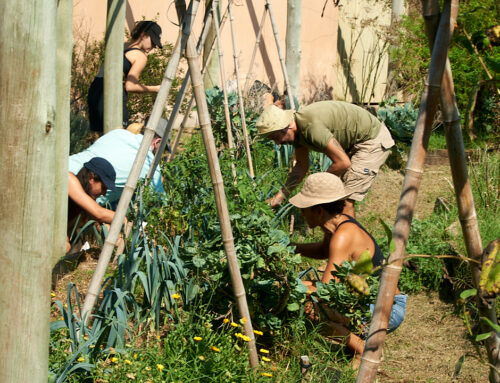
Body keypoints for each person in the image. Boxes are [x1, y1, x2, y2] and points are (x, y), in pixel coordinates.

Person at [288, 172, 407, 357]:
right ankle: (356, 343)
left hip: (385, 311)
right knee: (306, 290)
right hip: (380, 303)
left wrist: (291, 287)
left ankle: (364, 350)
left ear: (319, 211)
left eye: (304, 209)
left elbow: (325, 292)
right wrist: (290, 247)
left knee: (311, 307)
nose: (302, 214)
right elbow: (322, 251)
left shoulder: (343, 236)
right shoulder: (338, 224)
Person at [256, 101, 395, 217]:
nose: (278, 143)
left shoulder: (311, 127)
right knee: (334, 200)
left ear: (288, 126)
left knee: (345, 200)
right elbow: (301, 167)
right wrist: (279, 197)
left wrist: (318, 187)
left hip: (371, 140)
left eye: (276, 137)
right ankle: (334, 242)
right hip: (353, 142)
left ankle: (349, 246)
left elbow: (343, 163)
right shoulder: (297, 133)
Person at [68, 120, 166, 209]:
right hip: (76, 197)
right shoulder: (149, 164)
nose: (163, 153)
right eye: (164, 148)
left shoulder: (118, 133)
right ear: (158, 142)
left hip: (64, 167)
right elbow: (163, 205)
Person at [87, 20, 163, 132]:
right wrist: (156, 88)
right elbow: (130, 86)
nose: (153, 47)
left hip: (95, 90)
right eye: (153, 42)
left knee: (102, 136)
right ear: (143, 35)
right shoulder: (140, 56)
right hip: (112, 93)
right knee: (119, 135)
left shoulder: (122, 46)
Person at [67, 157, 117, 252]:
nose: (104, 193)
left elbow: (103, 227)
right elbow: (99, 213)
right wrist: (125, 219)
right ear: (91, 178)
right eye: (104, 187)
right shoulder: (69, 179)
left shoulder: (84, 208)